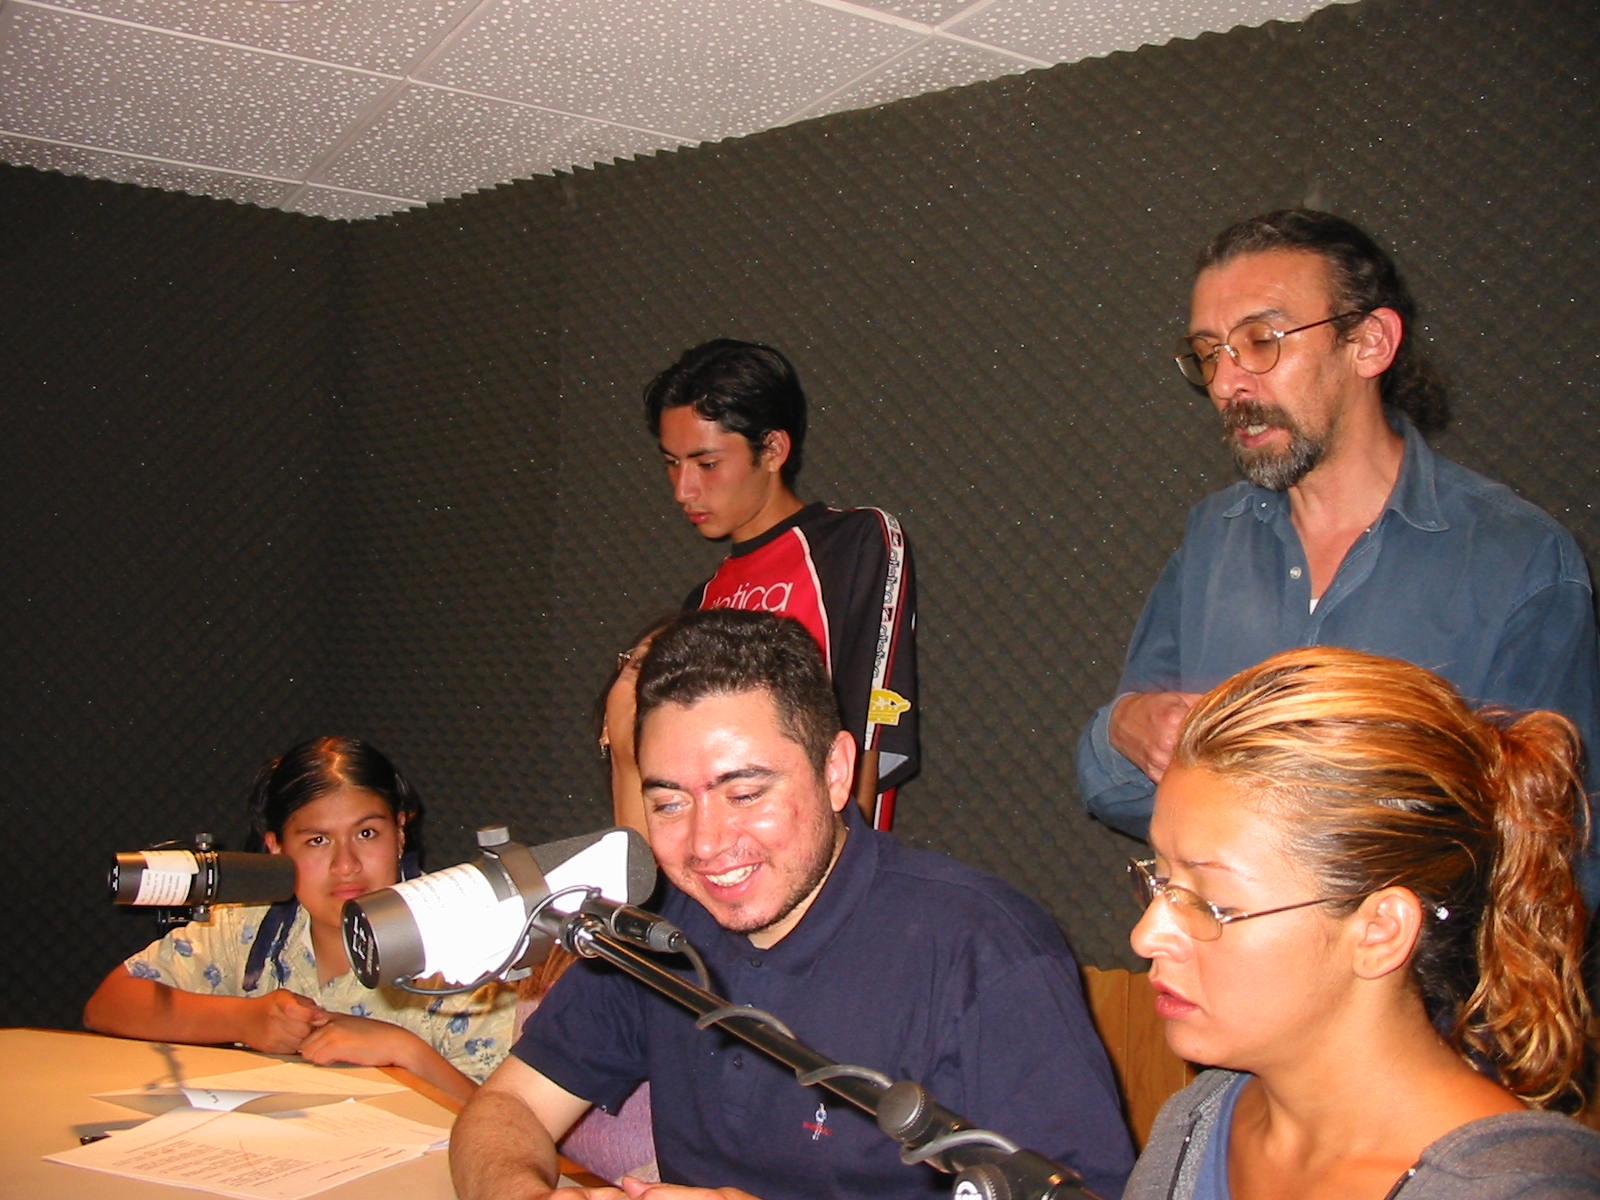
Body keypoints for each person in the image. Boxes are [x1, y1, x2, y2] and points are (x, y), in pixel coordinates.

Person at [450, 609, 1134, 1200]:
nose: (705, 843)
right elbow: (506, 1107)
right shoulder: (658, 929)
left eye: (745, 794)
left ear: (835, 771)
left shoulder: (982, 949)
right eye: (669, 802)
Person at [1075, 208, 1600, 903]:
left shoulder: (1518, 561)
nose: (1229, 383)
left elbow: (1555, 856)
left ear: (1370, 342)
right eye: (1209, 351)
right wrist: (1120, 729)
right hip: (1230, 985)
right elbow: (1115, 786)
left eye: (1261, 340)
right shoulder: (1212, 539)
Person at [1124, 647, 1598, 1199]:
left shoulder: (1510, 1191)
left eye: (1209, 902)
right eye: (1159, 881)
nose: (1146, 935)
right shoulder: (1196, 1125)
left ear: (1380, 930)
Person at [83, 735, 517, 1103]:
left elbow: (511, 1125)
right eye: (316, 840)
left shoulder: (470, 945)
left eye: (367, 834)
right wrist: (244, 1020)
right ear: (276, 847)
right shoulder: (246, 927)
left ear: (400, 832)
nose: (345, 864)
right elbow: (109, 1004)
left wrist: (405, 1051)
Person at [645, 338, 918, 829]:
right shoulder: (703, 600)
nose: (683, 489)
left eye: (706, 464)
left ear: (772, 450)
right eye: (672, 463)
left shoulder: (852, 542)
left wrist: (842, 883)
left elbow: (872, 721)